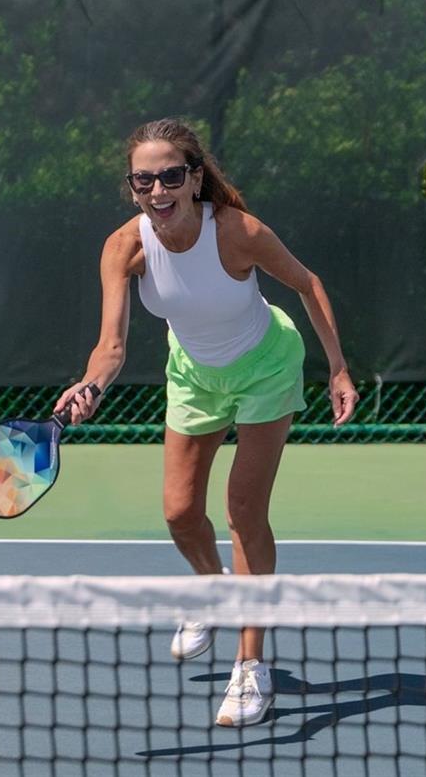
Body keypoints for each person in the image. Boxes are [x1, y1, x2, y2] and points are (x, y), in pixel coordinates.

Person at [55, 117, 358, 728]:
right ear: (133, 187)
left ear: (194, 178)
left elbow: (307, 283)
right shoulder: (124, 247)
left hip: (266, 368)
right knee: (178, 512)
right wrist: (90, 385)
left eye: (171, 176)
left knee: (245, 510)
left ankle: (252, 667)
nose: (158, 191)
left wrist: (339, 369)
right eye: (144, 181)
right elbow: (110, 347)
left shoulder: (239, 233)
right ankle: (214, 588)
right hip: (193, 374)